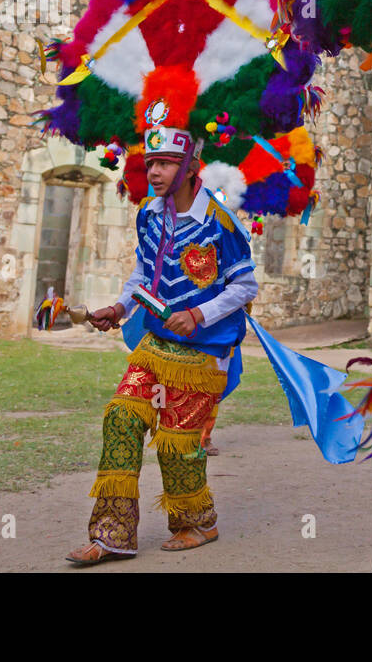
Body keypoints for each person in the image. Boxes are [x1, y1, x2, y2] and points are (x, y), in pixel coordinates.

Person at [65, 117, 258, 565]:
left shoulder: (220, 222)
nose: (153, 172)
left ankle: (198, 522)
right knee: (120, 418)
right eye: (151, 162)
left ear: (192, 166)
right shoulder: (149, 215)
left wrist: (199, 314)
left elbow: (244, 286)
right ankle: (112, 533)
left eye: (167, 163)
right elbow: (142, 274)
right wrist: (120, 307)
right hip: (154, 345)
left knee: (177, 442)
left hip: (205, 352)